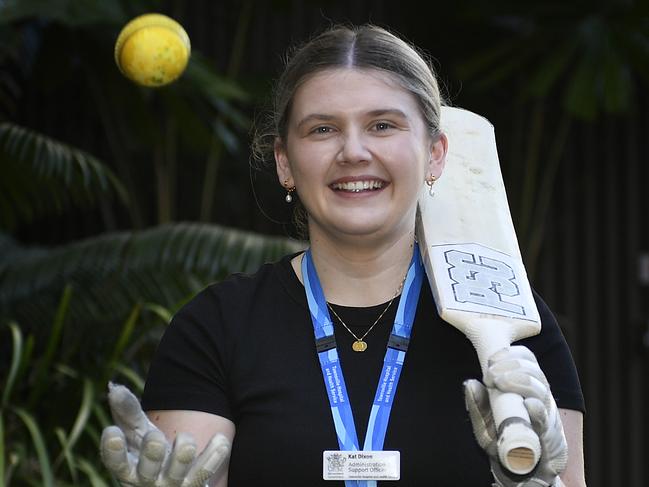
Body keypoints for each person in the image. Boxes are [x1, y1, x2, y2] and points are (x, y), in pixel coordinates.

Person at [100, 24, 586, 486]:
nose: (353, 152)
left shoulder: (510, 324)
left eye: (382, 125)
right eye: (322, 130)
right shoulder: (216, 328)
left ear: (436, 153)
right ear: (285, 163)